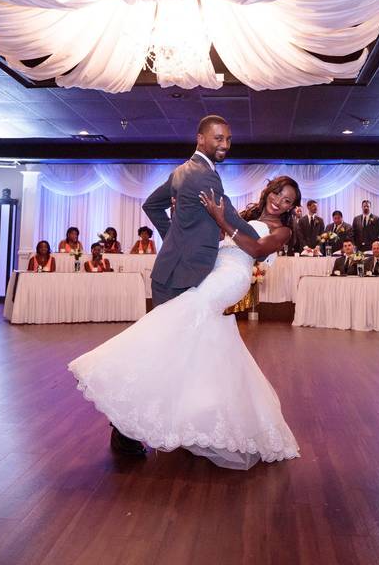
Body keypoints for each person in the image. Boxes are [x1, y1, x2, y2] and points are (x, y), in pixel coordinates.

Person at [70, 176, 301, 470]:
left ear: (291, 207)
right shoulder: (243, 216)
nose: (279, 200)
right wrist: (190, 215)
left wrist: (221, 218)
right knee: (186, 342)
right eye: (278, 192)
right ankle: (191, 422)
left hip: (231, 278)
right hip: (211, 271)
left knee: (171, 325)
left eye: (287, 200)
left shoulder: (282, 231)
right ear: (269, 190)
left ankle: (118, 382)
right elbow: (212, 239)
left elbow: (256, 250)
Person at [142, 114, 260, 308]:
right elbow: (231, 218)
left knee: (168, 337)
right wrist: (262, 248)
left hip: (170, 272)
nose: (225, 144)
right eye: (218, 138)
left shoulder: (182, 170)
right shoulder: (203, 175)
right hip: (184, 276)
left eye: (228, 139)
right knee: (179, 337)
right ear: (200, 139)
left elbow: (151, 206)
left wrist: (172, 235)